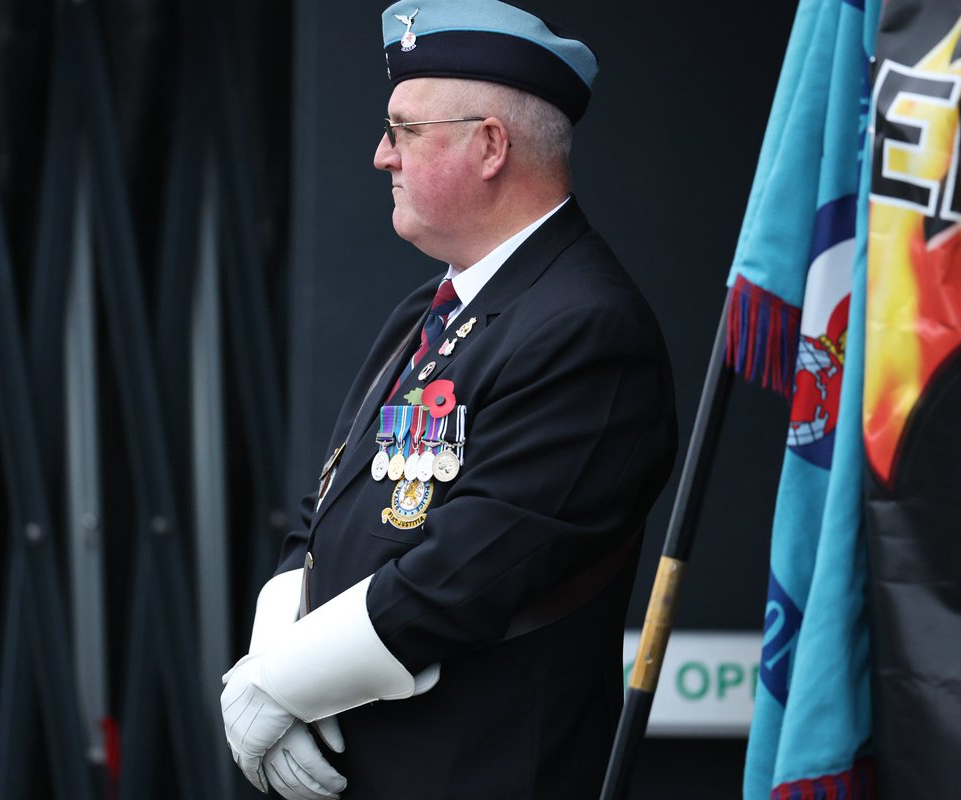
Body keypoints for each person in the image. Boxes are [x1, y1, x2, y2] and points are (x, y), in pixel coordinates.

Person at [221, 1, 677, 797]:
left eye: (402, 130)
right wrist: (272, 658)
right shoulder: (430, 312)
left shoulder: (588, 329)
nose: (379, 156)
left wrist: (282, 682)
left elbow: (465, 576)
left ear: (490, 144)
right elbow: (327, 509)